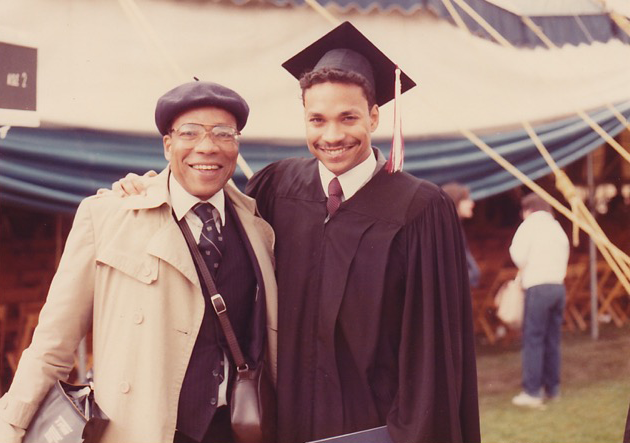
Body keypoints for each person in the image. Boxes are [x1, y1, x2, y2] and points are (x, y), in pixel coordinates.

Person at [112, 22, 480, 443]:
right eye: (317, 119)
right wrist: (151, 184)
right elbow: (203, 203)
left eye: (349, 118)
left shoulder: (420, 208)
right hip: (282, 421)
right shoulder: (278, 186)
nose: (332, 135)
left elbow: (432, 349)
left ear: (375, 116)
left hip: (374, 426)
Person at [0, 80, 278, 443]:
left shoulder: (258, 228)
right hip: (144, 431)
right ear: (167, 145)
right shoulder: (108, 217)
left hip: (234, 429)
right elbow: (52, 345)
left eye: (223, 134)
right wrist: (11, 425)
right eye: (189, 133)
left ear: (237, 144)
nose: (207, 147)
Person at [509, 192, 569, 409]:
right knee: (552, 339)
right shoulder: (557, 227)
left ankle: (532, 391)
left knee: (533, 338)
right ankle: (552, 388)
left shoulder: (529, 226)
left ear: (527, 210)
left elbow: (518, 255)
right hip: (558, 285)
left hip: (538, 286)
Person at [441, 182, 480, 288]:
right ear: (455, 202)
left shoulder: (454, 227)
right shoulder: (447, 230)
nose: (472, 203)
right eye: (467, 199)